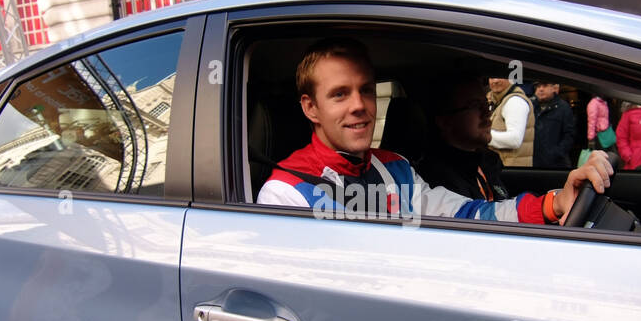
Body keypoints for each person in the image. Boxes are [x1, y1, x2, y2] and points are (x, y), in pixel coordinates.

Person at [256, 38, 612, 223]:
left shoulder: (395, 168)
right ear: (310, 108)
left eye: (366, 89)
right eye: (339, 95)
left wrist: (555, 203)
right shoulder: (287, 193)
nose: (359, 105)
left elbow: (470, 215)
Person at [415, 63, 509, 201]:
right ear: (445, 121)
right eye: (475, 105)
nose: (487, 113)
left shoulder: (486, 163)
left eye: (486, 104)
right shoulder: (438, 182)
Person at [487, 76, 535, 166]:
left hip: (510, 170)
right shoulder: (496, 101)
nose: (495, 81)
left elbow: (514, 140)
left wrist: (482, 136)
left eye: (500, 76)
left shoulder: (515, 101)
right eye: (492, 77)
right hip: (501, 167)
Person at [530, 81, 576, 169]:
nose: (541, 89)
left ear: (554, 88)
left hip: (556, 164)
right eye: (538, 86)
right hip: (533, 162)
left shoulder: (563, 107)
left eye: (545, 85)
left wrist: (557, 153)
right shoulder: (530, 105)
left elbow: (569, 134)